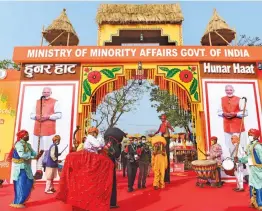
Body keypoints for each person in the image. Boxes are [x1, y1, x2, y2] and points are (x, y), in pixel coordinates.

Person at [30, 87, 62, 180]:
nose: (46, 93)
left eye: (47, 92)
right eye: (44, 92)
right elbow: (31, 115)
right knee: (38, 150)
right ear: (42, 92)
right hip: (37, 130)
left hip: (49, 130)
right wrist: (36, 116)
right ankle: (38, 170)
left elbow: (59, 115)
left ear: (51, 93)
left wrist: (48, 116)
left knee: (48, 150)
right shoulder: (37, 102)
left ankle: (49, 170)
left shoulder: (56, 102)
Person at [10, 130, 43, 208]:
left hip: (27, 168)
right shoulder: (19, 144)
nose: (28, 136)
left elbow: (33, 153)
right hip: (20, 168)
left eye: (28, 135)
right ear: (21, 136)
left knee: (29, 183)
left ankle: (21, 200)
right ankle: (18, 202)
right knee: (21, 185)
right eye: (26, 135)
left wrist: (38, 154)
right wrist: (33, 157)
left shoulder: (28, 144)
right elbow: (22, 155)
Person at [217, 85, 248, 158]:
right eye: (227, 90)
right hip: (227, 127)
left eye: (230, 90)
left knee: (239, 145)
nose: (229, 91)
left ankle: (242, 161)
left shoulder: (239, 99)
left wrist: (235, 114)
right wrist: (223, 113)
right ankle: (232, 161)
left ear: (233, 90)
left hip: (237, 126)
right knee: (229, 146)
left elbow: (245, 112)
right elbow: (219, 112)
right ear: (225, 91)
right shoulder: (222, 99)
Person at [238, 129, 262, 209]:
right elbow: (248, 157)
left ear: (256, 136)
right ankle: (253, 202)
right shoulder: (250, 145)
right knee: (252, 185)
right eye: (249, 135)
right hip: (252, 169)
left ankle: (260, 204)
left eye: (251, 135)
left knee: (258, 186)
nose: (250, 136)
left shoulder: (258, 146)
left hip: (258, 170)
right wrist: (239, 160)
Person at [104, 127, 127, 209]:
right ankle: (112, 203)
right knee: (112, 182)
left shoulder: (106, 141)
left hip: (104, 164)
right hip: (110, 163)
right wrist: (119, 146)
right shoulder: (115, 143)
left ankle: (104, 202)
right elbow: (117, 154)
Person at [154, 114, 174, 183]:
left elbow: (170, 127)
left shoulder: (167, 123)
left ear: (165, 118)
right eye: (161, 118)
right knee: (163, 154)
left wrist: (172, 129)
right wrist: (154, 134)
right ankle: (163, 178)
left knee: (166, 155)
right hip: (162, 138)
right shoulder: (161, 124)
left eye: (163, 118)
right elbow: (158, 130)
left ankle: (167, 179)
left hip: (166, 138)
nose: (162, 119)